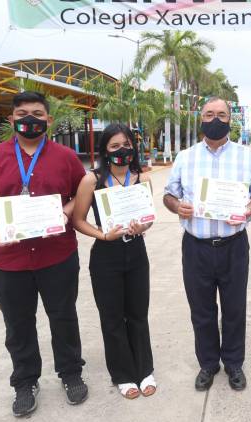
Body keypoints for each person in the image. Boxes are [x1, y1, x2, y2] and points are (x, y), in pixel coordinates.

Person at [0, 91, 88, 417]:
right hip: (10, 261)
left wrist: (64, 211)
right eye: (23, 113)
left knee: (63, 316)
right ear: (12, 119)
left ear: (49, 120)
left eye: (37, 113)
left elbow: (83, 192)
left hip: (57, 255)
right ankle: (25, 381)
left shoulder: (65, 157)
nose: (30, 119)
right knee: (18, 324)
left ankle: (70, 372)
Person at [163, 97, 251, 392]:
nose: (215, 119)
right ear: (201, 118)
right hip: (196, 247)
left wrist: (248, 210)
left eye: (221, 114)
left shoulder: (246, 156)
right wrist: (177, 206)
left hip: (234, 245)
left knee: (234, 309)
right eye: (209, 114)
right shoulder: (185, 157)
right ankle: (208, 364)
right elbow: (169, 195)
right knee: (202, 310)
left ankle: (234, 363)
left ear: (230, 119)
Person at [71, 124, 156, 400]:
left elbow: (148, 218)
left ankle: (144, 370)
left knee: (138, 314)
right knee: (112, 318)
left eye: (127, 144)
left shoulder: (141, 177)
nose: (123, 150)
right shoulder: (92, 180)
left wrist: (142, 227)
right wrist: (103, 235)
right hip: (106, 256)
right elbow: (78, 220)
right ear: (105, 151)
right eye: (115, 146)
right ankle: (123, 374)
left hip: (136, 253)